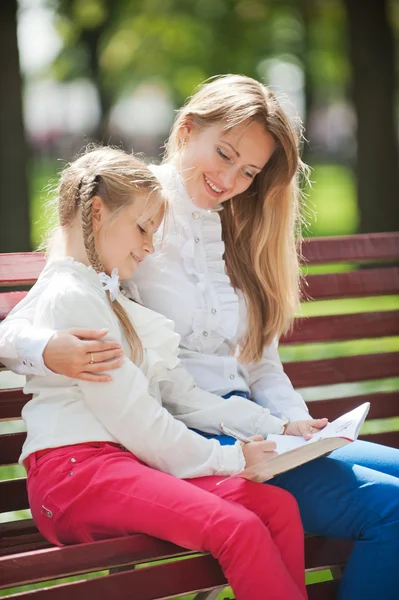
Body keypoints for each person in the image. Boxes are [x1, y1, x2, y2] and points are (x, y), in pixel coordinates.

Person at [1, 74, 399, 598]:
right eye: (225, 154)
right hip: (188, 435)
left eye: (249, 171)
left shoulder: (238, 227)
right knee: (391, 512)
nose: (230, 179)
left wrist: (295, 426)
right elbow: (43, 306)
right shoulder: (130, 209)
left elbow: (260, 363)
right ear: (187, 129)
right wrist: (49, 351)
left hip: (244, 424)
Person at [2, 146, 308, 600]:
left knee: (277, 507)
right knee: (237, 527)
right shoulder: (70, 295)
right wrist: (229, 459)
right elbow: (136, 420)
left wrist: (280, 426)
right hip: (75, 478)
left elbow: (181, 394)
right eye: (143, 228)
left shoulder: (113, 297)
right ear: (98, 211)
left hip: (121, 468)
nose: (148, 246)